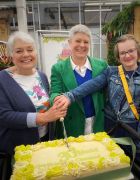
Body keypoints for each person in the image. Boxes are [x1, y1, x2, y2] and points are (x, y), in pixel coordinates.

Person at [54, 34, 140, 169]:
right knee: (110, 163)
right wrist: (70, 96)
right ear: (118, 56)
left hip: (133, 127)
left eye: (131, 51)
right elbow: (91, 85)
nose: (127, 55)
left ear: (137, 52)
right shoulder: (111, 72)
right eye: (122, 52)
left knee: (133, 164)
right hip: (111, 126)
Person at [0, 31, 67, 179]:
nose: (26, 54)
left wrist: (57, 107)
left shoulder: (41, 75)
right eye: (19, 51)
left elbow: (46, 105)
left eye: (30, 49)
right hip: (18, 147)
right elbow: (4, 116)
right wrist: (43, 118)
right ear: (11, 54)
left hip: (43, 142)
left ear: (36, 52)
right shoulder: (2, 80)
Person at [50, 24, 107, 139]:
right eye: (78, 41)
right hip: (73, 124)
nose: (82, 45)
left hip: (98, 122)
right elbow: (54, 92)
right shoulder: (58, 69)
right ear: (70, 43)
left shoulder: (101, 66)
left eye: (86, 42)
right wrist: (57, 100)